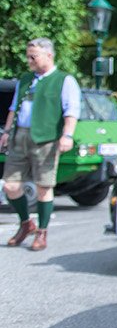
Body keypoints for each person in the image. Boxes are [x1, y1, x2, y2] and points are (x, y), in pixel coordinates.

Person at [1, 38, 81, 251]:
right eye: (28, 56)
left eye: (33, 57)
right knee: (10, 186)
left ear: (49, 55)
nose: (29, 61)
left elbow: (71, 111)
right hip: (20, 135)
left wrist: (67, 135)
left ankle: (42, 232)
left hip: (46, 138)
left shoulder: (64, 80)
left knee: (43, 187)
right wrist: (7, 132)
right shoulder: (26, 79)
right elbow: (13, 107)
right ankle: (26, 223)